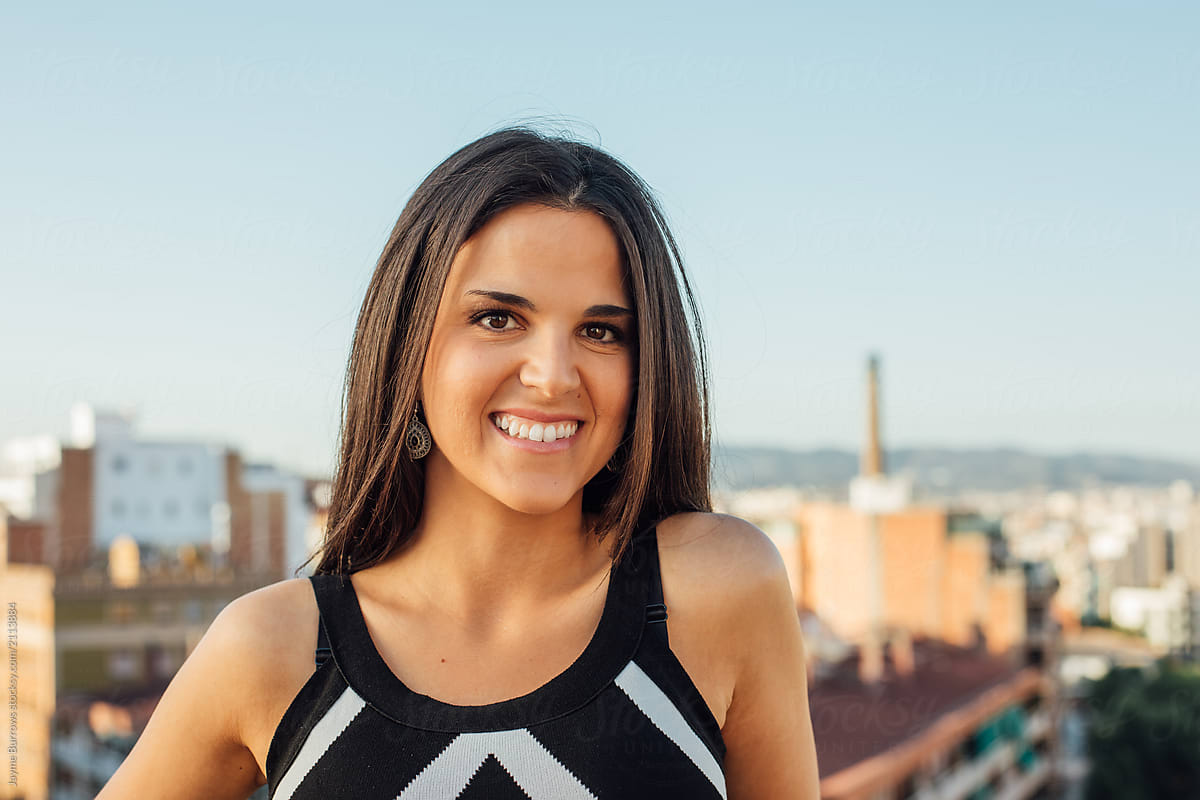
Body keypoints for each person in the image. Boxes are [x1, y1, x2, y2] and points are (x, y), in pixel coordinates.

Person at [97, 127, 820, 799]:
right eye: (499, 318)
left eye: (601, 331)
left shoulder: (718, 590)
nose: (553, 375)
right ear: (409, 345)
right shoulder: (273, 650)